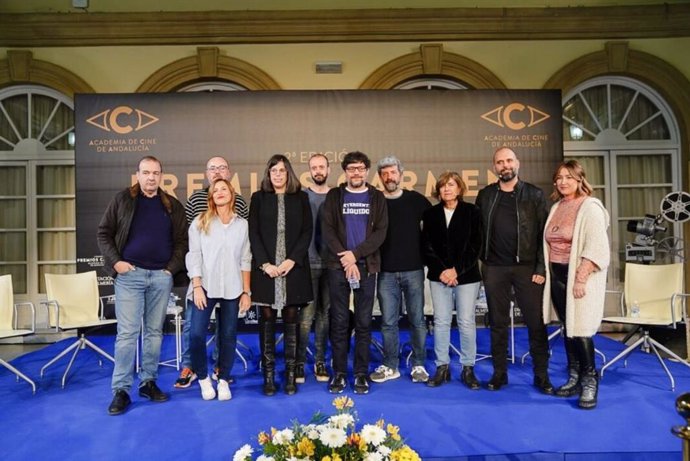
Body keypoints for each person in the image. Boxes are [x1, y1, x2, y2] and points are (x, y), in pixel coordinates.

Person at [97, 155, 188, 415]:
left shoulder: (172, 205)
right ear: (138, 174)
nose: (151, 177)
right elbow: (104, 232)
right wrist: (116, 263)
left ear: (161, 176)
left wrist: (169, 270)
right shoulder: (123, 199)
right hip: (130, 276)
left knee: (154, 333)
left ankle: (148, 382)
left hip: (160, 277)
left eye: (155, 173)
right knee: (127, 334)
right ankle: (121, 390)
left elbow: (182, 241)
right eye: (146, 172)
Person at [475, 147, 554, 394]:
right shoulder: (486, 195)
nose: (505, 165)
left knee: (535, 323)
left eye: (509, 160)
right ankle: (500, 374)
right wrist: (483, 264)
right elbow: (478, 232)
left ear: (517, 163)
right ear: (494, 167)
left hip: (527, 268)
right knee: (497, 323)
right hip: (494, 268)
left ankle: (541, 375)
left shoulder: (534, 195)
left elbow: (544, 235)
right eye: (500, 162)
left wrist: (541, 267)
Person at [175, 156, 249, 389]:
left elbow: (245, 258)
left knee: (228, 336)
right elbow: (194, 255)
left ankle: (224, 377)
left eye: (223, 189)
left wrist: (246, 291)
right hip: (204, 287)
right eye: (215, 190)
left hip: (233, 288)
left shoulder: (242, 224)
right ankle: (203, 376)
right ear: (211, 196)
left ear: (231, 193)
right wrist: (197, 286)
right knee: (196, 334)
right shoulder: (199, 222)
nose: (219, 192)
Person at [542, 160, 610, 409]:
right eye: (559, 178)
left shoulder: (590, 207)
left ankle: (590, 380)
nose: (563, 182)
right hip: (557, 275)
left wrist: (581, 278)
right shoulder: (557, 206)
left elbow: (597, 247)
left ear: (580, 179)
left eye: (569, 177)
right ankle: (574, 376)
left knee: (580, 329)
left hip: (579, 277)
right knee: (568, 328)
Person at [322, 151, 388, 394]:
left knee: (362, 322)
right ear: (345, 171)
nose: (356, 173)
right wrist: (346, 257)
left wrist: (356, 255)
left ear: (367, 171)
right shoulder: (335, 195)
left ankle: (360, 373)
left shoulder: (376, 197)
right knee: (339, 321)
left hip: (366, 265)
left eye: (360, 168)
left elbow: (381, 232)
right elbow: (328, 230)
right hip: (338, 265)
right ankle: (339, 373)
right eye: (351, 169)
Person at [249, 154, 313, 396]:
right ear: (268, 174)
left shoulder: (301, 198)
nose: (277, 174)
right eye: (273, 171)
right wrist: (265, 264)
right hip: (266, 270)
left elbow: (307, 232)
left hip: (292, 269)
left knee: (291, 321)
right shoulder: (258, 198)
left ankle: (289, 375)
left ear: (289, 174)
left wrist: (291, 260)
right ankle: (268, 375)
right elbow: (253, 233)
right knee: (266, 321)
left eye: (282, 171)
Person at [369, 155, 431, 385]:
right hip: (385, 271)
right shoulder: (375, 201)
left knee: (417, 320)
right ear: (380, 177)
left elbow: (431, 233)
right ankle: (390, 365)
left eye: (392, 172)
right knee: (388, 322)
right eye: (384, 173)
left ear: (401, 174)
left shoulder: (417, 201)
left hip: (414, 270)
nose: (389, 177)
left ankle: (418, 364)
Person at [422, 171, 483, 389]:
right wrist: (443, 271)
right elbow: (426, 247)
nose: (447, 189)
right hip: (439, 277)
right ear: (438, 190)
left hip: (466, 276)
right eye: (443, 186)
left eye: (451, 185)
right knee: (441, 321)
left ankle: (468, 368)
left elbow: (476, 246)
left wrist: (456, 271)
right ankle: (442, 367)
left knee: (466, 321)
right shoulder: (430, 214)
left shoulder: (472, 212)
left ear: (459, 188)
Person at [296, 153, 332, 384]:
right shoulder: (301, 196)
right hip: (307, 264)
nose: (318, 170)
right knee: (306, 317)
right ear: (309, 171)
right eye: (314, 167)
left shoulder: (338, 196)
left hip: (332, 265)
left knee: (324, 315)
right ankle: (299, 364)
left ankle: (320, 361)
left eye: (322, 167)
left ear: (329, 169)